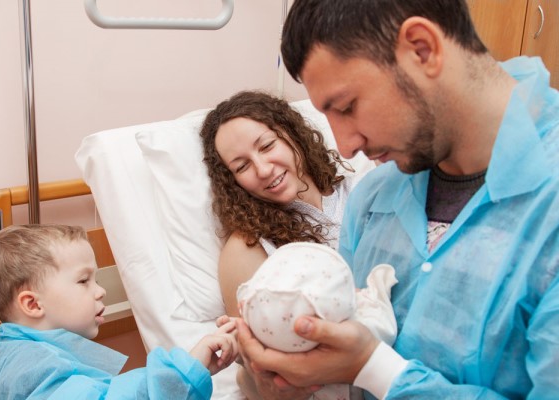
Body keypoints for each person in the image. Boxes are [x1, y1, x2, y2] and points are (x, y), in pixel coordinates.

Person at [235, 0, 559, 399]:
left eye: (348, 107)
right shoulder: (373, 200)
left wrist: (374, 369)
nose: (345, 145)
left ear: (422, 49)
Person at [199, 90, 373, 398]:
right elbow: (259, 369)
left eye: (267, 146)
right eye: (242, 166)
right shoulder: (248, 247)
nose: (264, 169)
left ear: (292, 133)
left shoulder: (363, 189)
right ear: (233, 182)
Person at [0, 224, 238, 400]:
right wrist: (186, 370)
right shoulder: (38, 368)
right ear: (33, 304)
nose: (100, 291)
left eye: (96, 280)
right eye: (83, 281)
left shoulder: (7, 350)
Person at [237, 242, 397, 400]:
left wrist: (234, 342)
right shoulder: (360, 326)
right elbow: (385, 329)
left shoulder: (266, 333)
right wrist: (374, 293)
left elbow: (245, 347)